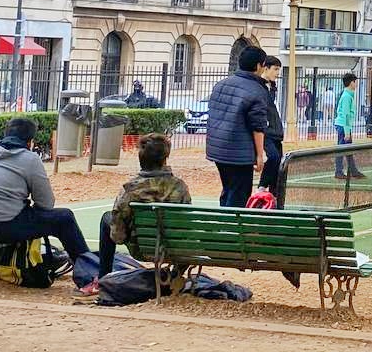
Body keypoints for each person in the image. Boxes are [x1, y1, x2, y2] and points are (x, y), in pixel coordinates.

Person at [0, 117, 90, 280]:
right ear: (30, 141)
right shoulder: (29, 159)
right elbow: (46, 204)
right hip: (1, 227)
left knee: (21, 212)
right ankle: (89, 270)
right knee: (64, 218)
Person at [83, 133, 191, 295]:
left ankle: (103, 277)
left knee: (107, 218)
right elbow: (186, 223)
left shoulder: (130, 190)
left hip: (141, 248)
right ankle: (175, 275)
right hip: (173, 249)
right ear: (165, 158)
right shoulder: (179, 187)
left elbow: (117, 235)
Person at [205, 45, 270, 207]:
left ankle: (223, 225)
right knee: (239, 195)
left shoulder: (221, 85)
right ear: (258, 66)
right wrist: (260, 155)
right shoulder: (257, 90)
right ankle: (231, 228)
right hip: (240, 153)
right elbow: (258, 126)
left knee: (228, 188)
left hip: (218, 149)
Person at [256, 55, 285, 191]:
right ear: (266, 68)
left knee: (279, 161)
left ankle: (273, 192)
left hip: (276, 130)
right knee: (273, 157)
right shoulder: (258, 86)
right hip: (266, 130)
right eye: (275, 69)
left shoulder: (272, 86)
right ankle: (261, 187)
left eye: (278, 69)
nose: (277, 73)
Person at [334, 72, 366, 180]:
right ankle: (339, 171)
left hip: (344, 125)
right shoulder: (347, 96)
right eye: (355, 81)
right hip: (343, 126)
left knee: (347, 149)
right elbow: (346, 115)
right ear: (351, 82)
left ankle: (352, 170)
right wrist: (347, 131)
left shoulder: (347, 95)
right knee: (342, 149)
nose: (356, 84)